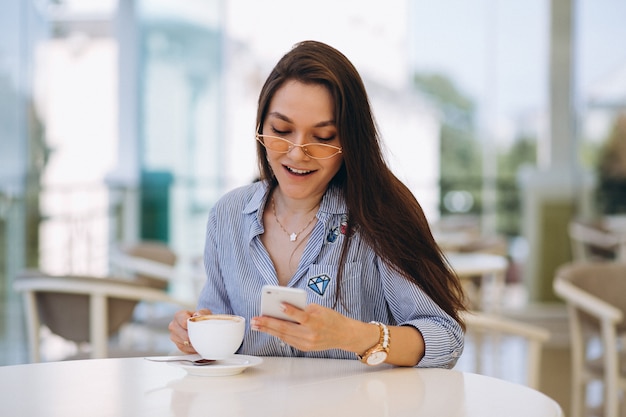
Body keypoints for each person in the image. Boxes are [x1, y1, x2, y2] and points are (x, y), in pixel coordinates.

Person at [169, 40, 466, 368]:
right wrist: (194, 333)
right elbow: (218, 330)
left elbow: (445, 338)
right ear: (261, 129)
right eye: (281, 130)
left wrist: (353, 335)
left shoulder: (380, 214)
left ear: (349, 141)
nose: (297, 152)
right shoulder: (227, 215)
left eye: (323, 137)